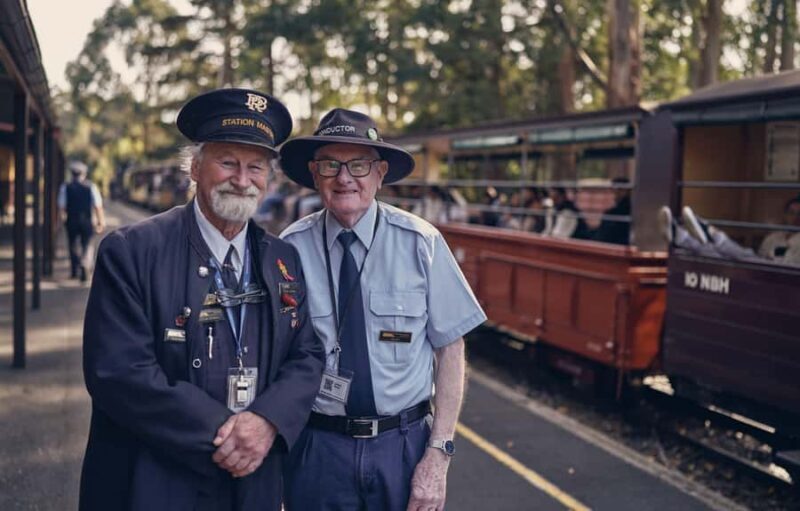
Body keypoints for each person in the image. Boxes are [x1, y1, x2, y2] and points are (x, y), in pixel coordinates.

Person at [79, 88, 325, 511]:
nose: (242, 180)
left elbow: (307, 355)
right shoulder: (132, 250)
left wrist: (266, 423)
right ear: (194, 166)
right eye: (227, 161)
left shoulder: (283, 258)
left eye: (256, 167)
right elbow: (119, 373)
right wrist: (232, 436)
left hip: (252, 485)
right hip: (154, 481)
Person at [279, 108, 486, 511]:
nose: (344, 177)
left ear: (380, 173)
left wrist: (438, 456)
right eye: (330, 165)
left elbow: (451, 350)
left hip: (403, 448)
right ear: (314, 173)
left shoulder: (421, 243)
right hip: (318, 449)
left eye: (359, 164)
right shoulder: (290, 249)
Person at [58, 161, 105, 281]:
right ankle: (85, 263)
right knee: (87, 244)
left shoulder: (65, 187)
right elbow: (98, 206)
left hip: (71, 220)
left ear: (72, 174)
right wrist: (101, 221)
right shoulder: (91, 187)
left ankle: (74, 270)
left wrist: (61, 221)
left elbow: (62, 207)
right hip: (87, 220)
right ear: (84, 174)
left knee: (73, 244)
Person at [759, 195, 800, 264]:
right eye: (791, 213)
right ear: (785, 215)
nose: (795, 217)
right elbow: (760, 257)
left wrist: (771, 254)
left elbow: (793, 260)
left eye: (799, 214)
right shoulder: (772, 237)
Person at [592, 177, 631, 245]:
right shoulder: (619, 209)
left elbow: (604, 236)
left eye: (615, 190)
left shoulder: (615, 213)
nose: (613, 193)